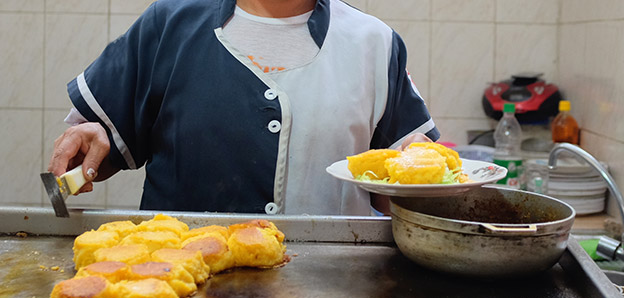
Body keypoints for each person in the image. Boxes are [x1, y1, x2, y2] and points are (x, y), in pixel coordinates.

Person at [48, 0, 440, 216]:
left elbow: (399, 195)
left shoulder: (374, 42)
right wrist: (86, 149)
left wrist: (428, 179)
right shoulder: (169, 23)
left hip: (332, 294)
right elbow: (82, 169)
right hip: (184, 288)